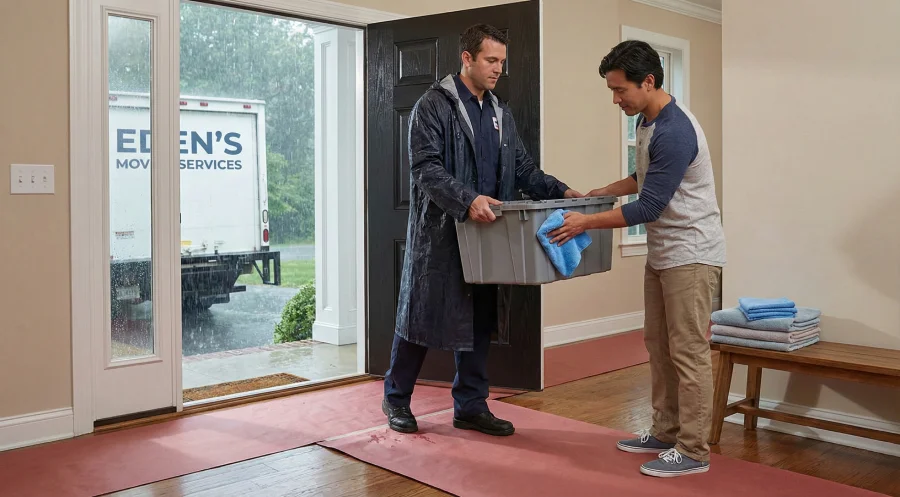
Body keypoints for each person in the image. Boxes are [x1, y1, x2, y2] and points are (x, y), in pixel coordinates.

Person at [382, 24, 581, 437]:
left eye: (502, 63)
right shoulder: (432, 106)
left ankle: (470, 405)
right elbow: (425, 168)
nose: (498, 70)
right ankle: (396, 398)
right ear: (467, 58)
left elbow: (523, 168)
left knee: (480, 318)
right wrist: (467, 199)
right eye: (491, 61)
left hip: (491, 235)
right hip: (441, 234)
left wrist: (562, 191)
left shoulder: (499, 111)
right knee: (420, 316)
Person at [549, 40, 726, 478]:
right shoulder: (649, 121)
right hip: (664, 252)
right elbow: (643, 177)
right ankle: (665, 431)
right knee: (657, 345)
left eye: (620, 90)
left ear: (648, 81)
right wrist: (606, 191)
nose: (615, 100)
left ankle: (694, 450)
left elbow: (650, 206)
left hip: (692, 254)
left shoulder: (674, 130)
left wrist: (584, 223)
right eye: (611, 90)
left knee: (688, 351)